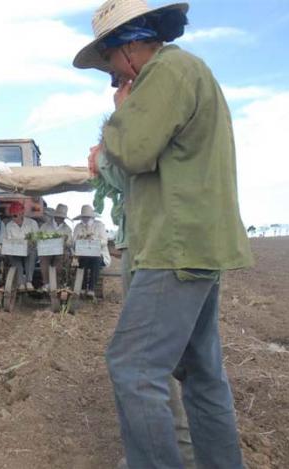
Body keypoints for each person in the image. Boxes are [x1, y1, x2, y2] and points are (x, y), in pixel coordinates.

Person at [73, 1, 253, 467]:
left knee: (132, 368)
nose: (115, 78)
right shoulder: (191, 71)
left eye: (111, 66)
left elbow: (132, 150)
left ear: (129, 46)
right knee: (201, 373)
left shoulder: (165, 72)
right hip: (199, 243)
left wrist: (119, 115)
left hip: (173, 247)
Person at [95, 144, 195, 468]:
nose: (118, 91)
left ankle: (164, 457)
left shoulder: (146, 145)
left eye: (120, 87)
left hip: (155, 254)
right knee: (186, 364)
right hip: (153, 249)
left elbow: (130, 175)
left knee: (139, 361)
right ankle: (187, 453)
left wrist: (102, 159)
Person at [72, 205, 110, 298]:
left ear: (92, 217)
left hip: (99, 255)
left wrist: (94, 241)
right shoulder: (78, 226)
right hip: (83, 255)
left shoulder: (99, 225)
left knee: (96, 259)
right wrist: (80, 240)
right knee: (82, 260)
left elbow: (105, 241)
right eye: (84, 216)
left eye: (87, 216)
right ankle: (83, 287)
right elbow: (73, 242)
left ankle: (91, 289)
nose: (85, 218)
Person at [4, 202, 39, 291]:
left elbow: (36, 239)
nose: (13, 218)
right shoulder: (9, 225)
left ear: (21, 214)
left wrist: (31, 242)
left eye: (15, 215)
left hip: (29, 249)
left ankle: (28, 281)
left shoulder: (32, 223)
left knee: (32, 252)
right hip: (15, 251)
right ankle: (20, 282)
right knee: (12, 256)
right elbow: (8, 240)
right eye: (12, 216)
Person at [38, 203, 72, 292]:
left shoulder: (67, 229)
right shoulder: (45, 226)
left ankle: (56, 284)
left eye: (62, 217)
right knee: (43, 259)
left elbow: (70, 243)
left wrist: (65, 241)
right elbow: (39, 237)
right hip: (46, 251)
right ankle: (46, 283)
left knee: (60, 261)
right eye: (59, 217)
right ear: (55, 216)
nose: (60, 219)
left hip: (60, 252)